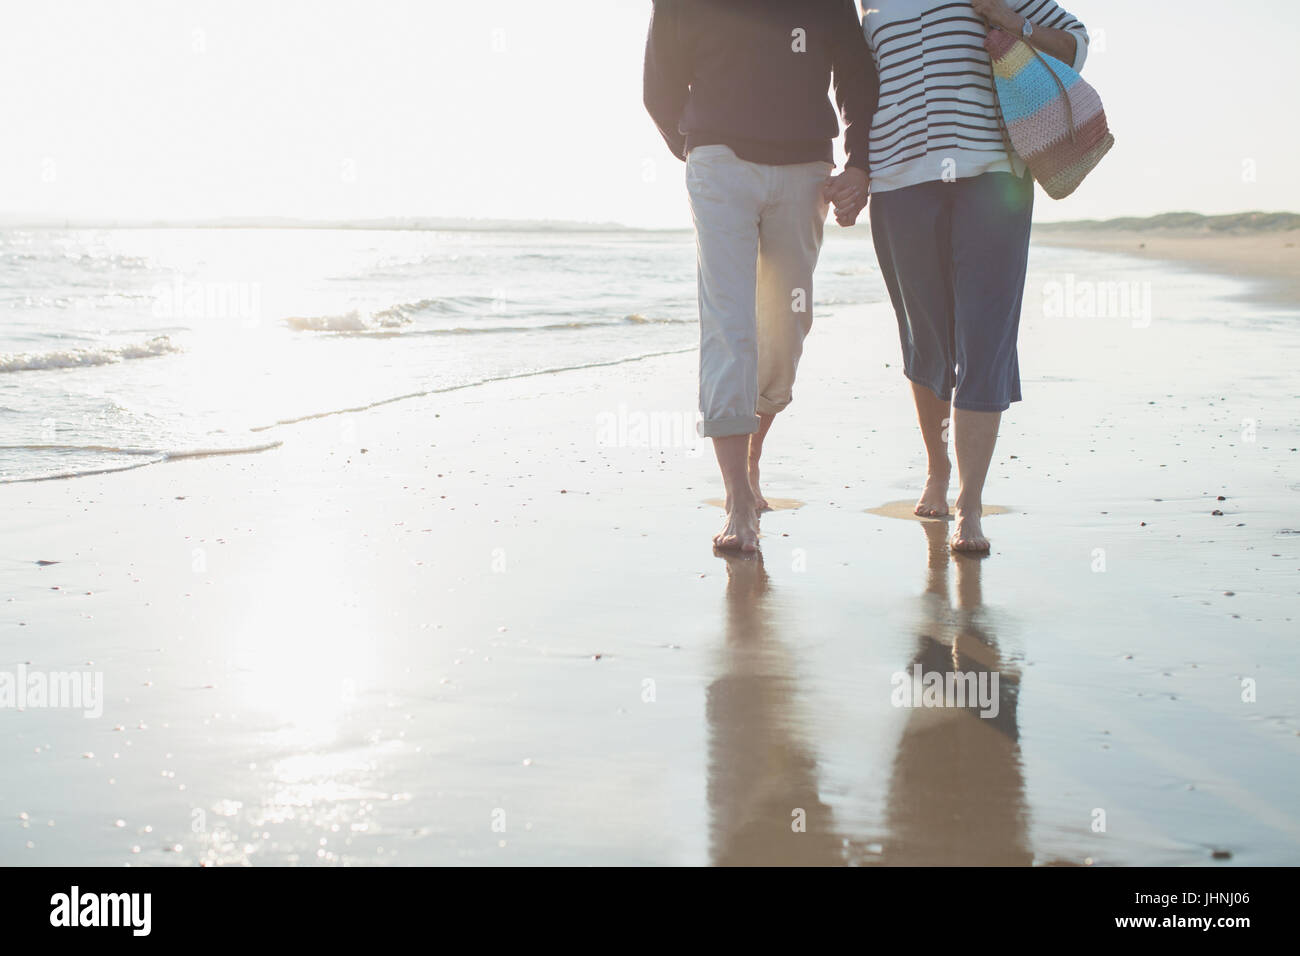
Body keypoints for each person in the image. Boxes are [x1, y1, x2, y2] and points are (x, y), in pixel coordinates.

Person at [830, 0, 1091, 553]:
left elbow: (1075, 41)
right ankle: (937, 468)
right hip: (899, 180)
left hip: (992, 175)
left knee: (985, 337)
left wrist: (1012, 21)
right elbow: (858, 83)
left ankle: (970, 504)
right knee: (925, 336)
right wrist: (857, 165)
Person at [644, 0, 879, 552]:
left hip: (804, 169)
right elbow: (659, 86)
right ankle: (738, 501)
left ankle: (751, 456)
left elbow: (855, 76)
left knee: (786, 324)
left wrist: (859, 164)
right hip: (720, 163)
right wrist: (699, 146)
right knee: (730, 323)